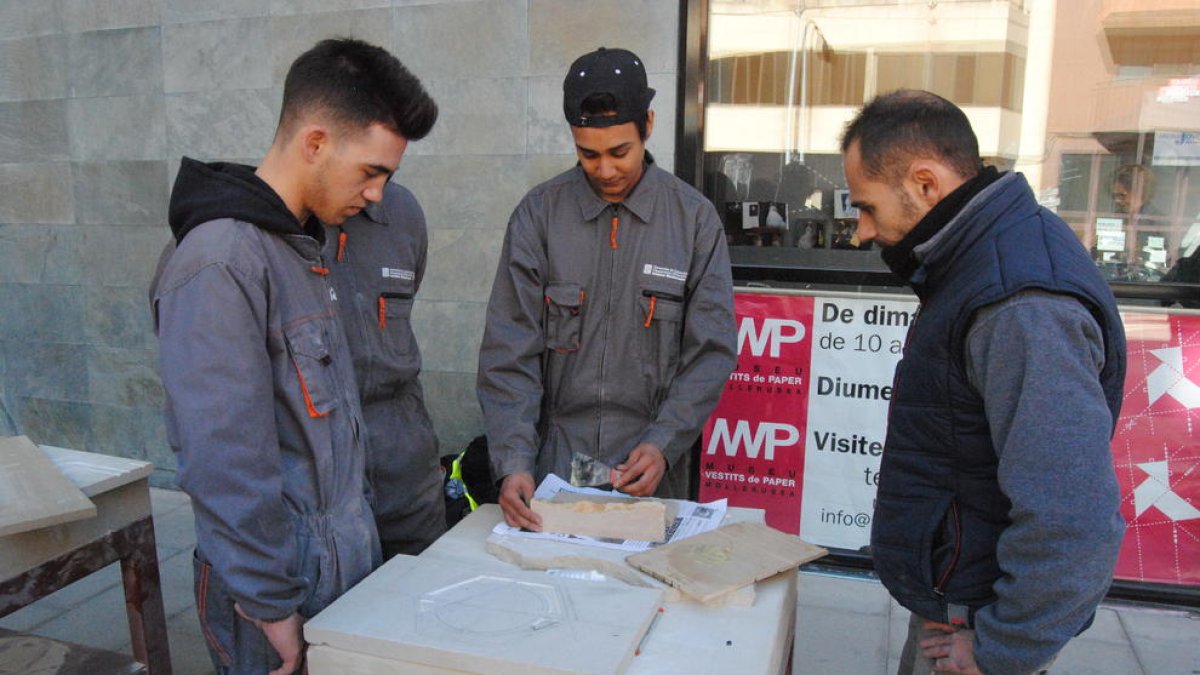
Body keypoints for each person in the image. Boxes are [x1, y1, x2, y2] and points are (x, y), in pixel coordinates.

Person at [151, 38, 436, 675]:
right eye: (371, 171)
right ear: (315, 143)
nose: (378, 197)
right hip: (277, 595)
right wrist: (270, 603)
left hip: (339, 566)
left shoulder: (298, 251)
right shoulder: (221, 261)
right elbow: (224, 459)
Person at [840, 90, 1127, 675]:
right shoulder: (983, 254)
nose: (860, 232)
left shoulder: (1020, 302)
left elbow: (1073, 518)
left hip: (974, 625)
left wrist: (1002, 650)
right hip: (960, 603)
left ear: (926, 184)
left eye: (867, 207)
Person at [477, 47, 737, 530]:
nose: (605, 170)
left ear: (649, 126)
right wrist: (513, 460)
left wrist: (664, 442)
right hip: (553, 469)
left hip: (652, 470)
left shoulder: (694, 221)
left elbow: (710, 353)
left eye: (620, 151)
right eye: (587, 154)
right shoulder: (539, 217)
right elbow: (508, 352)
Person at [323, 181, 447, 558]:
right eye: (369, 167)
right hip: (327, 476)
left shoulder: (402, 211)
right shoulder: (259, 235)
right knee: (341, 612)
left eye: (388, 171)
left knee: (418, 597)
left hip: (408, 471)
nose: (376, 191)